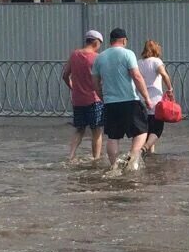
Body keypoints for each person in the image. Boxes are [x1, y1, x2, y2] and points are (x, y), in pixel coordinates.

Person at [91, 28, 152, 171]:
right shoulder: (127, 53)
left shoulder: (99, 57)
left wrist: (103, 97)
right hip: (129, 100)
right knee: (141, 131)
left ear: (111, 41)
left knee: (113, 137)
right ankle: (133, 157)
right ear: (124, 40)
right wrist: (147, 97)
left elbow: (94, 82)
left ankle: (114, 167)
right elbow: (136, 76)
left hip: (110, 103)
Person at [61, 29, 104, 162]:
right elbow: (101, 79)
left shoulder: (74, 55)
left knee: (79, 129)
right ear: (96, 42)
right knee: (96, 131)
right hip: (94, 99)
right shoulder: (97, 58)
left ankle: (71, 156)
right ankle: (96, 158)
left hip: (78, 100)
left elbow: (65, 75)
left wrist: (73, 88)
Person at [137, 40, 174, 155]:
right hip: (156, 99)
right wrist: (170, 89)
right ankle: (145, 147)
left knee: (147, 129)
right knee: (157, 129)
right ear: (156, 50)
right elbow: (164, 74)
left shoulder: (139, 62)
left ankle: (150, 154)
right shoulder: (156, 61)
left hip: (142, 98)